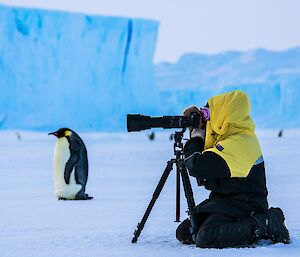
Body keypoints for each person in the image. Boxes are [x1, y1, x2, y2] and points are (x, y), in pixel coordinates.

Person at [176, 90, 290, 248]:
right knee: (185, 232)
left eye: (209, 114)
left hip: (246, 203)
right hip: (224, 200)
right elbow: (205, 155)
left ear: (224, 117)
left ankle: (266, 223)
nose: (206, 119)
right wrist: (197, 131)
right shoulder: (227, 139)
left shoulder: (241, 142)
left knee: (207, 237)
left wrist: (196, 136)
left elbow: (198, 166)